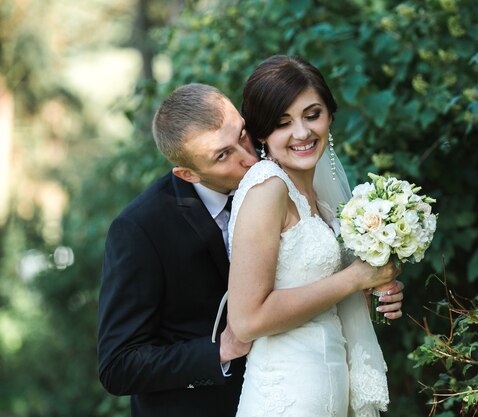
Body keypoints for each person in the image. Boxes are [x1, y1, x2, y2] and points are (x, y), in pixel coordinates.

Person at [97, 82, 404, 417]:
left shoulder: (286, 177)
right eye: (222, 155)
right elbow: (118, 365)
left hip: (307, 388)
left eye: (242, 135)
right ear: (188, 173)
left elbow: (304, 279)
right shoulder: (142, 229)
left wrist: (368, 288)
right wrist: (218, 351)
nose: (247, 157)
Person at [227, 55, 400, 417]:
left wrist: (376, 286)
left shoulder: (322, 199)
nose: (302, 133)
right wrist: (353, 278)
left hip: (329, 391)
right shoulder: (267, 190)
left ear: (330, 115)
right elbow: (246, 320)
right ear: (261, 133)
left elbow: (323, 296)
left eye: (312, 114)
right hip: (286, 398)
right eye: (282, 122)